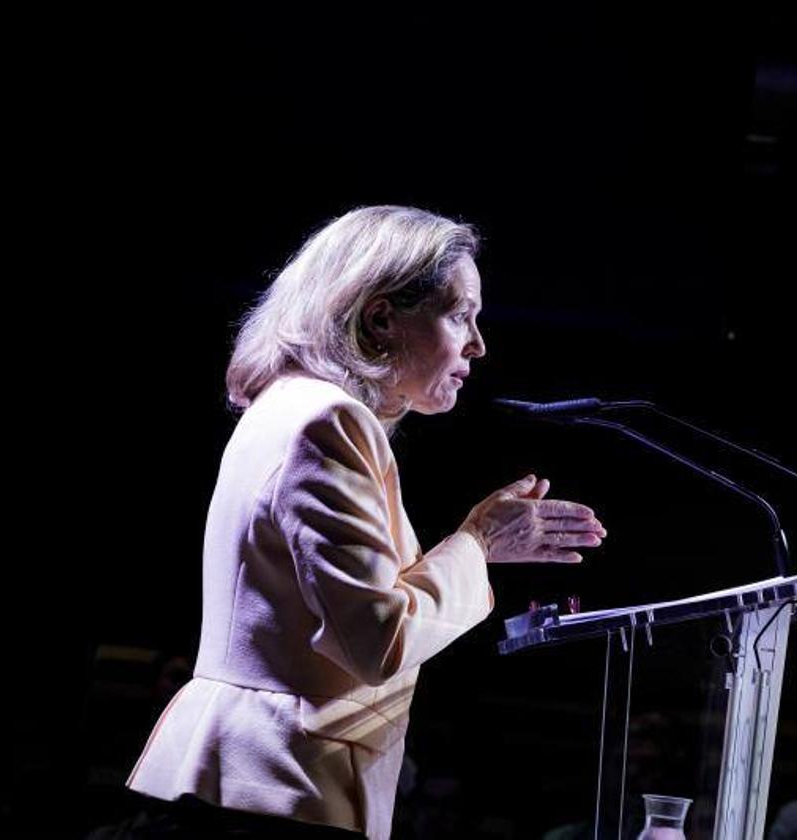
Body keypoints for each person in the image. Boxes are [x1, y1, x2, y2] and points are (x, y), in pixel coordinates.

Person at [124, 206, 607, 839]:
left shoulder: (291, 406)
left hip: (249, 784)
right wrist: (478, 542)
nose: (479, 344)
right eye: (460, 314)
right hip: (274, 789)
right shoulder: (329, 423)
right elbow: (377, 641)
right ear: (381, 318)